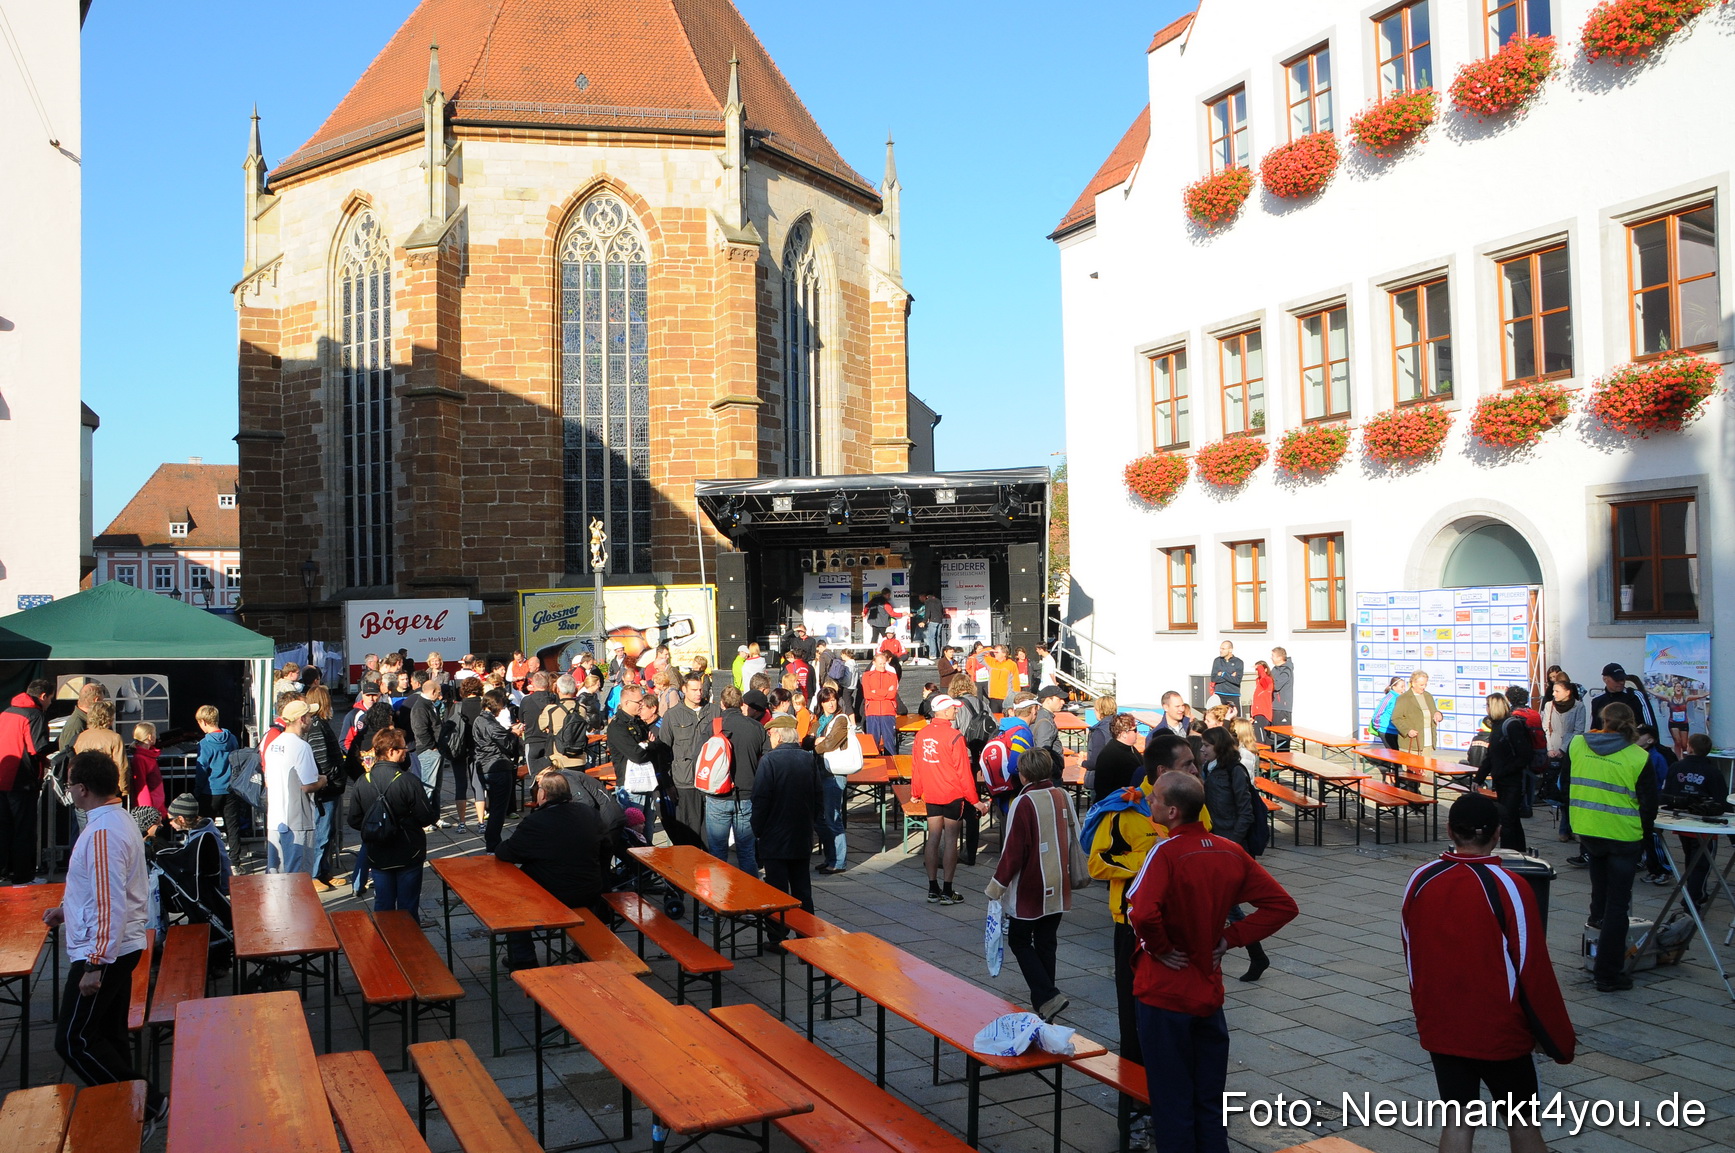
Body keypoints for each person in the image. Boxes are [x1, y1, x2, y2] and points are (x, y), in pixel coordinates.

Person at [1128, 771, 1296, 1153]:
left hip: (1164, 992)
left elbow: (1141, 912)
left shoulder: (1165, 853)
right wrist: (1230, 938)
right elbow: (1282, 906)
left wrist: (1159, 947)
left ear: (1172, 811)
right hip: (1207, 991)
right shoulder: (1228, 850)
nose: (1148, 800)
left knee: (1171, 1101)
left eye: (1154, 797)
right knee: (1209, 1099)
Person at [1403, 794, 1576, 1153]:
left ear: (1449, 830)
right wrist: (1557, 1037)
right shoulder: (1511, 886)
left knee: (1457, 1121)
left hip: (1442, 1023)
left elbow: (1411, 952)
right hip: (1499, 1029)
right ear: (1498, 833)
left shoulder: (1420, 879)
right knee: (1522, 1123)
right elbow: (1533, 967)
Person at [47, 750, 169, 1135]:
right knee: (107, 1033)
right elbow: (106, 890)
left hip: (105, 951)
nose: (68, 790)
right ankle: (128, 1112)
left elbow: (110, 900)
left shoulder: (102, 831)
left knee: (74, 1040)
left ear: (83, 789)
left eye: (70, 785)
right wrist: (67, 910)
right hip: (120, 944)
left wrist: (95, 964)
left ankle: (147, 1103)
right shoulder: (119, 818)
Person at [987, 748, 1083, 1021]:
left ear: (1024, 773)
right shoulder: (1063, 795)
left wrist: (997, 886)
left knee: (1019, 939)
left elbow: (1014, 851)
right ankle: (1045, 1004)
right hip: (1059, 880)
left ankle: (1048, 996)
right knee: (1046, 942)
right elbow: (1075, 834)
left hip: (1031, 885)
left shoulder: (1024, 801)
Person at [1568, 703, 1655, 992]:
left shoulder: (1578, 744)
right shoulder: (1638, 756)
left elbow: (1566, 783)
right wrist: (1644, 839)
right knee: (1618, 905)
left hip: (1588, 830)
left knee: (1600, 895)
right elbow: (1649, 806)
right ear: (1632, 723)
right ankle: (1607, 973)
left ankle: (1594, 949)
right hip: (1623, 836)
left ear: (1602, 720)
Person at [496, 770, 606, 969]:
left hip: (552, 894)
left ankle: (523, 957)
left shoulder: (537, 821)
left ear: (543, 794)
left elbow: (507, 853)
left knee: (512, 896)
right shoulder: (589, 813)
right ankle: (584, 946)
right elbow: (606, 845)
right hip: (590, 889)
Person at [1199, 726, 1269, 982]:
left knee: (1227, 906)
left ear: (1219, 746)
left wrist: (1231, 844)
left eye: (1206, 745)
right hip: (1212, 844)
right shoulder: (1207, 769)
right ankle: (1255, 955)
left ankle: (1254, 955)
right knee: (1224, 906)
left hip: (1228, 846)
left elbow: (1245, 812)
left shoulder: (1234, 771)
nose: (1202, 749)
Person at [346, 727, 435, 919]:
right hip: (408, 851)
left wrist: (376, 827)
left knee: (383, 904)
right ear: (391, 751)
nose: (406, 752)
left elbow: (354, 819)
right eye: (403, 748)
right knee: (408, 907)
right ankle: (407, 937)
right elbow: (426, 817)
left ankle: (384, 936)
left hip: (378, 852)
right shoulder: (408, 781)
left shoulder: (363, 781)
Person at [910, 695, 985, 905]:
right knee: (951, 839)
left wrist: (915, 792)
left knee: (933, 837)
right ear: (944, 711)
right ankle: (948, 890)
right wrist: (975, 800)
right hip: (952, 794)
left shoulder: (922, 735)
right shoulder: (955, 736)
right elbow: (963, 773)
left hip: (931, 793)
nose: (956, 710)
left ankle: (932, 888)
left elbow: (917, 767)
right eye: (953, 708)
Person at [752, 714, 824, 914]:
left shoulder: (769, 761)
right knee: (802, 889)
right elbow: (818, 795)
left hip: (774, 838)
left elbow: (760, 800)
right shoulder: (807, 759)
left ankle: (778, 931)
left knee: (777, 892)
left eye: (770, 734)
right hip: (801, 835)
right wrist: (811, 823)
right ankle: (806, 929)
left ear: (778, 735)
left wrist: (758, 829)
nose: (770, 738)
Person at [1661, 734, 1728, 910]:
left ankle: (1695, 894)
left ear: (1689, 747)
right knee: (1701, 864)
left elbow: (1667, 793)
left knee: (1690, 859)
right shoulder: (1713, 771)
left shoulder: (1676, 766)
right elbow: (1721, 800)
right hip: (1704, 825)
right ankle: (1694, 899)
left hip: (1682, 821)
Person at [263, 701, 327, 874]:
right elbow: (307, 786)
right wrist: (323, 781)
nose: (312, 720)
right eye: (310, 716)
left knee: (276, 877)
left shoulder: (273, 745)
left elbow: (268, 781)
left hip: (275, 820)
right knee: (299, 878)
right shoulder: (301, 747)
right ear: (302, 719)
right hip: (298, 820)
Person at [0, 679, 52, 886]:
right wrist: (61, 745)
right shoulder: (35, 715)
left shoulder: (7, 712)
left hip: (3, 777)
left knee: (4, 828)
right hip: (21, 779)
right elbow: (37, 748)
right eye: (50, 699)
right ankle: (23, 876)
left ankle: (4, 871)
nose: (50, 703)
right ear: (43, 696)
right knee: (24, 829)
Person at [711, 685, 766, 877]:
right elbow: (766, 758)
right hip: (747, 794)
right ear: (741, 703)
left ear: (722, 704)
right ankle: (750, 893)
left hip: (718, 795)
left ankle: (717, 894)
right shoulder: (756, 727)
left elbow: (698, 756)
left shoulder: (714, 726)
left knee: (717, 852)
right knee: (746, 851)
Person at [300, 686, 347, 891]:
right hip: (326, 789)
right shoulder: (317, 725)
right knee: (322, 832)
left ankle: (324, 871)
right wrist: (333, 774)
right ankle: (314, 874)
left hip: (331, 788)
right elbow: (321, 758)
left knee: (328, 832)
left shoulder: (320, 723)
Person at [665, 673, 720, 842]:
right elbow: (663, 751)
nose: (698, 693)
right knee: (688, 835)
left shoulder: (714, 711)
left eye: (700, 689)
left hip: (710, 780)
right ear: (684, 689)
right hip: (685, 782)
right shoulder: (672, 715)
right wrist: (668, 784)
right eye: (694, 690)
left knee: (711, 836)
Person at [472, 688, 525, 852]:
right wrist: (515, 734)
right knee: (498, 809)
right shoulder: (490, 723)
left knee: (495, 806)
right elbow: (506, 744)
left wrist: (509, 732)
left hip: (484, 765)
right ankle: (493, 844)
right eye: (501, 706)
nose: (502, 709)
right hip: (498, 766)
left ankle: (492, 841)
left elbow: (495, 738)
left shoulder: (479, 720)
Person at [813, 700, 862, 874]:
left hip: (834, 774)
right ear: (821, 703)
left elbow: (830, 744)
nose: (831, 704)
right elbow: (806, 740)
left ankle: (839, 862)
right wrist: (814, 740)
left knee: (833, 818)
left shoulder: (840, 719)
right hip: (821, 773)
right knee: (820, 818)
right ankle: (830, 858)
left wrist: (816, 743)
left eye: (833, 700)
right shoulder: (819, 722)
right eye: (826, 700)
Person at [1479, 693, 1532, 852]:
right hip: (1502, 780)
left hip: (1513, 781)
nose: (1486, 709)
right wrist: (1478, 778)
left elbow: (1525, 755)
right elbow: (1491, 756)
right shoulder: (1497, 726)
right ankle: (1519, 851)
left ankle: (1509, 853)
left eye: (1487, 705)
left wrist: (1504, 771)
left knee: (1507, 819)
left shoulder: (1511, 725)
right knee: (1511, 819)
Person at [1541, 679, 1588, 850]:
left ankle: (1571, 827)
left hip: (1570, 751)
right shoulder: (1549, 705)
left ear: (1568, 692)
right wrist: (1550, 749)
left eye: (1557, 691)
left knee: (1569, 789)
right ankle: (1564, 828)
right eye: (1553, 691)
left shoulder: (1579, 706)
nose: (1553, 694)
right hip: (1552, 751)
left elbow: (1578, 730)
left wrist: (1563, 748)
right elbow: (1545, 728)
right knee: (1557, 789)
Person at [74, 701, 128, 800]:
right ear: (109, 718)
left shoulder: (81, 737)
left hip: (86, 788)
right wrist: (124, 789)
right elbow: (121, 766)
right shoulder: (115, 738)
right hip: (107, 788)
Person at [1590, 663, 1656, 731]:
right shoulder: (1597, 700)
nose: (1621, 682)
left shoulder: (1636, 696)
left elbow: (1651, 727)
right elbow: (1594, 730)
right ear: (1605, 679)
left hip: (1635, 737)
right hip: (1606, 737)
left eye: (1623, 679)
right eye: (1617, 679)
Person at [1093, 714, 1143, 801]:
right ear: (1124, 734)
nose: (1137, 733)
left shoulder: (1130, 749)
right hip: (1118, 803)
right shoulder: (1109, 755)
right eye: (1135, 730)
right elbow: (1102, 788)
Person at [860, 649, 900, 755]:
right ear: (874, 663)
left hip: (888, 712)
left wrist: (876, 692)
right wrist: (886, 692)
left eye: (884, 663)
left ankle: (891, 763)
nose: (882, 666)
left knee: (889, 743)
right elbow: (867, 695)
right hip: (872, 712)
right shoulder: (867, 676)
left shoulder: (892, 675)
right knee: (873, 743)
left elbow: (892, 694)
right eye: (880, 664)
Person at [1392, 671, 1443, 754]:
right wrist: (1408, 731)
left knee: (1427, 762)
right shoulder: (1404, 698)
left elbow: (1434, 711)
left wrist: (1438, 714)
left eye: (1425, 684)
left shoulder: (1428, 696)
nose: (1424, 687)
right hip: (1412, 743)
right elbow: (1396, 718)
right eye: (1421, 685)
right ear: (1413, 683)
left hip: (1428, 742)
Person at [1032, 686, 1069, 764]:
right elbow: (1042, 751)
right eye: (1059, 699)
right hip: (1049, 769)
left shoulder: (1042, 716)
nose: (1063, 702)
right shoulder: (1045, 722)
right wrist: (1054, 768)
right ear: (1048, 700)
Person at [1368, 676, 1405, 749]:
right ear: (1394, 687)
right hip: (1386, 730)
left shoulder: (1400, 698)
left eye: (1404, 686)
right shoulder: (1389, 698)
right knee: (1393, 753)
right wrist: (1378, 727)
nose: (1404, 689)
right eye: (1402, 687)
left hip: (1396, 730)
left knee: (1397, 753)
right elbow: (1378, 712)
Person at [1208, 642, 1243, 709]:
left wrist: (1223, 674)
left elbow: (1237, 680)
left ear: (1230, 650)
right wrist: (1230, 675)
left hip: (1233, 695)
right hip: (1219, 694)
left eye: (1223, 649)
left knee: (1234, 715)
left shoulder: (1239, 662)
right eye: (1220, 648)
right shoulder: (1217, 661)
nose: (1220, 650)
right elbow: (1214, 678)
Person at [1249, 662, 1274, 743]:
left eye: (1258, 669)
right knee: (1263, 740)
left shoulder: (1267, 680)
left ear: (1265, 670)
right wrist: (1253, 716)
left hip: (1262, 714)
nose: (1256, 671)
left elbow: (1264, 678)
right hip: (1258, 714)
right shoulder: (1258, 681)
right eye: (1256, 670)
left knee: (1260, 741)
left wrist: (1260, 667)